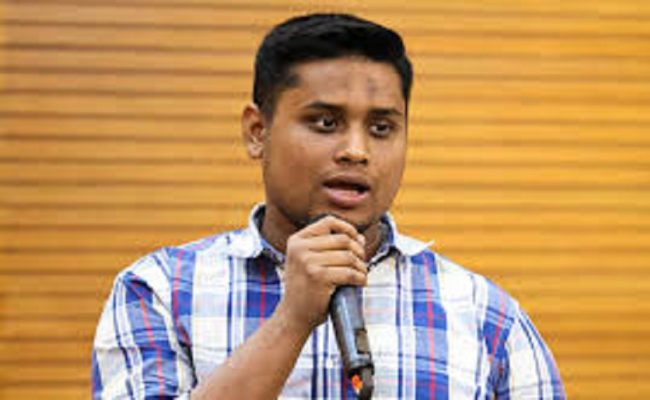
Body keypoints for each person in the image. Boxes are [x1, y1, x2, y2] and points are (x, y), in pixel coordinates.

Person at [92, 13, 565, 399]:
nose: (356, 151)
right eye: (325, 122)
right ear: (257, 132)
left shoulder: (485, 316)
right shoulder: (159, 292)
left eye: (381, 128)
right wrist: (291, 320)